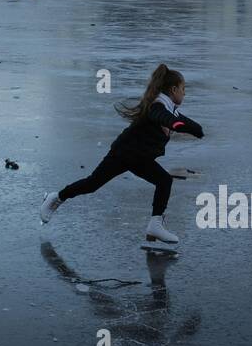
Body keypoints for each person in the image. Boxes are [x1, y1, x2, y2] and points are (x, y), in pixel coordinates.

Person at [40, 64, 205, 247]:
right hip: (123, 154)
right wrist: (178, 126)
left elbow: (182, 121)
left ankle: (155, 225)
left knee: (164, 181)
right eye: (183, 89)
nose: (185, 93)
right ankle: (55, 197)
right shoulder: (157, 106)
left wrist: (198, 130)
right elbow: (165, 119)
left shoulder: (169, 108)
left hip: (141, 158)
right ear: (173, 89)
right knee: (92, 184)